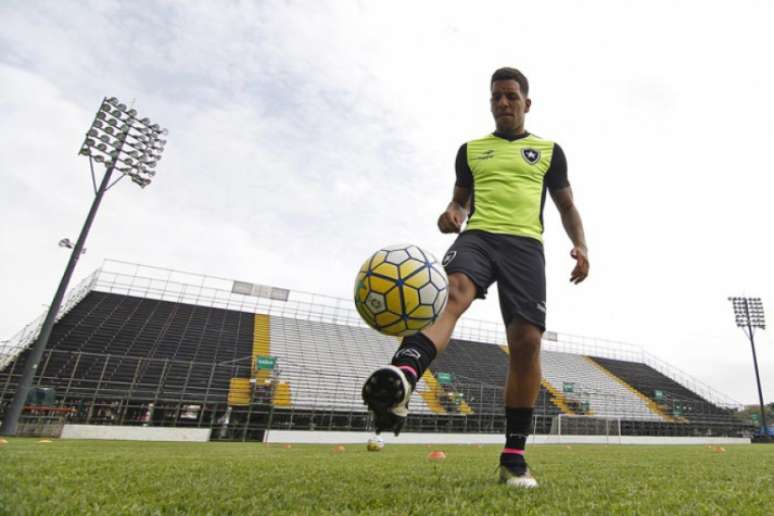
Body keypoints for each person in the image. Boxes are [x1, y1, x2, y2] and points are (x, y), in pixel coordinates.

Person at [361, 67, 589, 488]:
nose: (503, 103)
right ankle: (405, 376)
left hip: (525, 245)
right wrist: (451, 216)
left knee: (527, 342)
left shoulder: (549, 151)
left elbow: (566, 206)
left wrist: (581, 246)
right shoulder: (470, 150)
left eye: (511, 96)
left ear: (526, 102)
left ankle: (513, 458)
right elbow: (459, 203)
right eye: (496, 97)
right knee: (452, 294)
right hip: (479, 237)